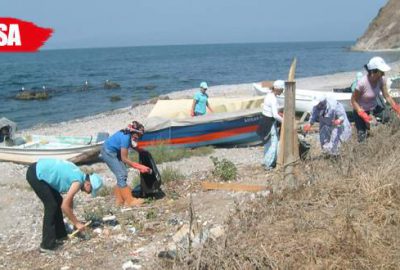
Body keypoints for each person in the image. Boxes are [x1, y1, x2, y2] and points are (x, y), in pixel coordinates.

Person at [26, 158, 103, 253]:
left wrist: (73, 219)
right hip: (36, 174)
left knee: (58, 200)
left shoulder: (79, 174)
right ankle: (46, 245)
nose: (88, 193)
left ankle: (60, 234)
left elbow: (68, 202)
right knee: (51, 205)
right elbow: (65, 206)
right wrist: (77, 223)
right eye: (90, 191)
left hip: (38, 169)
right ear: (88, 184)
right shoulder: (78, 182)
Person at [101, 120, 151, 206]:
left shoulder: (128, 134)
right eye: (139, 135)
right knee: (121, 174)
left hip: (115, 151)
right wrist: (139, 167)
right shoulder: (126, 138)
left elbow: (130, 144)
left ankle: (119, 200)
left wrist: (140, 151)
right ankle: (130, 200)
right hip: (108, 152)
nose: (139, 137)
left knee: (121, 175)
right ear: (134, 133)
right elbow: (124, 159)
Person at [351, 56, 400, 142]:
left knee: (392, 119)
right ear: (373, 72)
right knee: (362, 136)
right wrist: (361, 112)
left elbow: (387, 96)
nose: (383, 74)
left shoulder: (382, 80)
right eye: (381, 72)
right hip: (361, 110)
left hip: (374, 107)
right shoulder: (362, 83)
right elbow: (353, 100)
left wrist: (396, 107)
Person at [257, 80, 284, 170]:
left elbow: (272, 110)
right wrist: (284, 121)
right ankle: (268, 164)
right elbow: (275, 115)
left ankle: (266, 162)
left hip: (264, 121)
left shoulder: (269, 95)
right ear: (277, 89)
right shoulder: (273, 99)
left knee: (267, 143)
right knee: (273, 143)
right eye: (281, 89)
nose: (282, 91)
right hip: (269, 122)